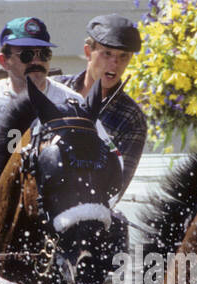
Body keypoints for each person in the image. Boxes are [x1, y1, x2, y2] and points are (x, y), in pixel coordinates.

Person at [0, 17, 83, 206]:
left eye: (44, 54)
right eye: (26, 55)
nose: (37, 61)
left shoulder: (72, 102)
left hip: (56, 210)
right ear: (4, 61)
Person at [56, 15, 148, 195]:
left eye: (124, 56)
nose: (115, 63)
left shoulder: (131, 118)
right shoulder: (54, 90)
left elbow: (117, 187)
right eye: (107, 53)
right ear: (88, 52)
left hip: (88, 210)